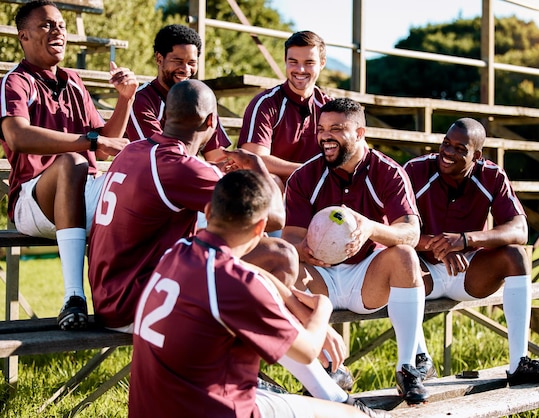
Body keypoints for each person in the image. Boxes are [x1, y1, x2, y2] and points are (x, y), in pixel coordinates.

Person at [88, 80, 381, 416]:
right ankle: (306, 377)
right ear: (212, 123)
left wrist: (288, 300)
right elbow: (273, 216)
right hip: (139, 297)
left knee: (272, 263)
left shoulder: (134, 151)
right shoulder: (180, 167)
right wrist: (256, 164)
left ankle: (314, 383)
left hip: (134, 285)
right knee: (278, 258)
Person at [128, 169, 379, 418]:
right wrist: (323, 309)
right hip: (211, 409)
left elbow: (248, 270)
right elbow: (308, 350)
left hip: (154, 406)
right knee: (352, 415)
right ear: (260, 228)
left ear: (207, 211)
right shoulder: (237, 285)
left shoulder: (177, 252)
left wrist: (291, 298)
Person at [282, 97, 434, 404]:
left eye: (337, 128)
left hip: (366, 278)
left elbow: (411, 232)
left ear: (360, 133)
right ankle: (330, 366)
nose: (326, 136)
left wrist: (370, 228)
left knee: (405, 255)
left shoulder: (388, 171)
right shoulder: (304, 176)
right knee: (282, 260)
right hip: (319, 277)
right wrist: (303, 249)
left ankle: (408, 367)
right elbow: (290, 237)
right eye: (322, 128)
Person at [0, 0, 136, 330]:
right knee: (73, 162)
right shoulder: (15, 82)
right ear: (24, 37)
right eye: (46, 25)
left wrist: (125, 98)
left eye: (61, 25)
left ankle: (146, 301)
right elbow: (17, 136)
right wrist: (90, 142)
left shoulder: (73, 81)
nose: (58, 30)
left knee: (147, 183)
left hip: (83, 190)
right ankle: (74, 297)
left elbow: (105, 145)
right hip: (33, 202)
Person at [402, 117, 539, 386]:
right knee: (400, 258)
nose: (448, 152)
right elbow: (389, 226)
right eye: (446, 143)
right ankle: (420, 360)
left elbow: (519, 229)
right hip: (423, 272)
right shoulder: (416, 170)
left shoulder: (491, 175)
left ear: (476, 155)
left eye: (459, 148)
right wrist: (439, 245)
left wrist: (465, 240)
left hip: (467, 271)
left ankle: (519, 363)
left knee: (516, 255)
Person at [238, 30, 332, 184]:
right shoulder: (265, 103)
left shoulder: (330, 108)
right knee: (272, 182)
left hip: (316, 186)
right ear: (285, 60)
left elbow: (353, 153)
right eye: (293, 61)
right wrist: (308, 170)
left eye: (309, 63)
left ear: (322, 63)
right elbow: (253, 159)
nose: (300, 70)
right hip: (276, 188)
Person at [126, 24, 231, 162]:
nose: (186, 69)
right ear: (159, 59)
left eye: (192, 63)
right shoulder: (141, 100)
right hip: (151, 177)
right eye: (178, 61)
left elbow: (217, 157)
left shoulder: (201, 99)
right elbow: (158, 158)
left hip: (187, 173)